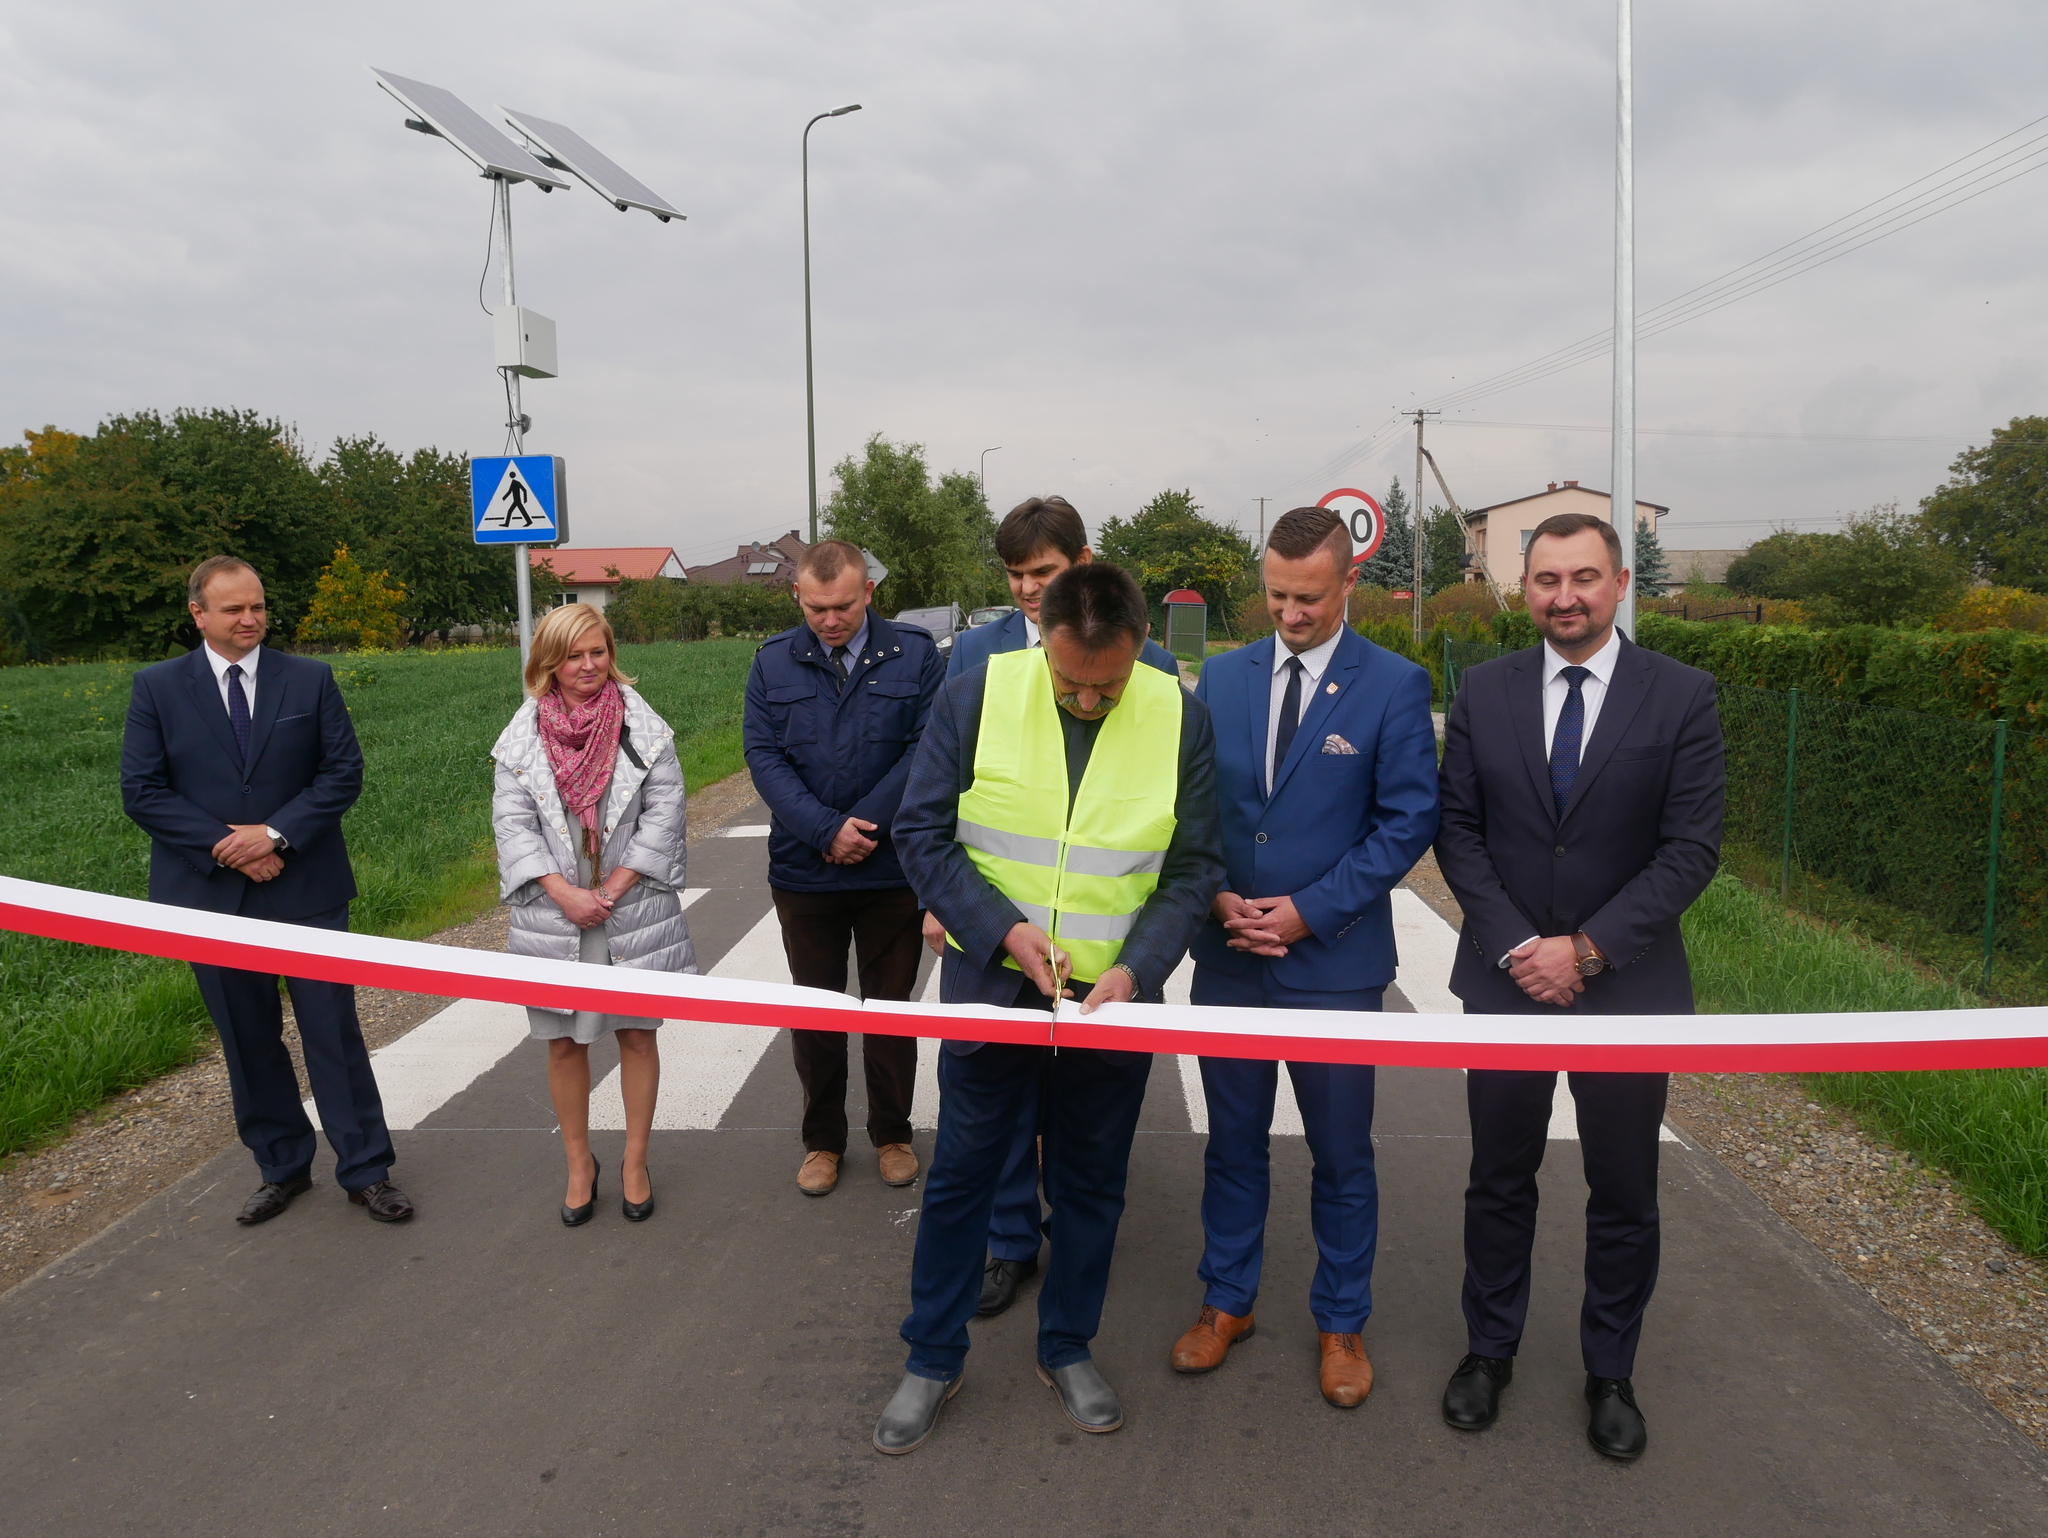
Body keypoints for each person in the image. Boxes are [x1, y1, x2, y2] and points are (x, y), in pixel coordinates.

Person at [875, 559, 1223, 1455]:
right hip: (994, 990)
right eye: (1071, 683)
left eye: (1109, 685)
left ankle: (1067, 1345)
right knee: (962, 1175)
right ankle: (931, 1356)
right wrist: (1002, 931)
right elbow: (922, 834)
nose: (1089, 701)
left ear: (1140, 647)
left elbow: (1193, 869)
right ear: (1043, 640)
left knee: (1091, 1184)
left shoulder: (1180, 715)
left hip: (1110, 1003)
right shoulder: (976, 694)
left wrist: (1139, 970)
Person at [1433, 510, 1724, 1461]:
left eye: (1584, 578)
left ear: (1620, 584)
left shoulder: (1681, 696)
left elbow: (1691, 849)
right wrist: (1524, 945)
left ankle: (1611, 1372)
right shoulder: (1483, 692)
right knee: (1498, 1179)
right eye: (1548, 579)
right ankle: (1489, 1352)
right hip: (1507, 981)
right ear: (1525, 588)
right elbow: (1458, 832)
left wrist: (1587, 951)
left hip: (1628, 991)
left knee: (1625, 1190)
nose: (1566, 597)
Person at [1173, 506, 1439, 1407]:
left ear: (1349, 581)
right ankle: (1227, 1300)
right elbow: (1192, 801)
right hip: (1230, 957)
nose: (1290, 614)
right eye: (1277, 596)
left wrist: (1307, 914)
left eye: (1309, 599)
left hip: (1333, 966)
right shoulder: (1224, 675)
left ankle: (1341, 1322)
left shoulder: (1394, 685)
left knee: (1341, 1153)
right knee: (1232, 1144)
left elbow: (1407, 820)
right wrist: (1214, 894)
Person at [939, 495, 1181, 1320]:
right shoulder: (974, 663)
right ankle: (1009, 1242)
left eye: (1040, 572)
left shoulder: (1154, 676)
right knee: (993, 1131)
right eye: (1014, 575)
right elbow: (938, 810)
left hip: (1101, 963)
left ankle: (1072, 1308)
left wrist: (1137, 964)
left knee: (1086, 1145)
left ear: (1082, 565)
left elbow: (1176, 846)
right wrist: (962, 913)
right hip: (993, 952)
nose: (1024, 589)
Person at [120, 556, 413, 1226]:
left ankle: (366, 1170)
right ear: (198, 614)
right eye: (234, 609)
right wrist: (229, 847)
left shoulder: (309, 678)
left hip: (306, 886)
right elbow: (142, 790)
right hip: (212, 895)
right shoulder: (157, 688)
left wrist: (275, 835)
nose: (250, 619)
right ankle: (282, 1168)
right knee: (247, 1038)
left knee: (332, 1033)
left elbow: (342, 773)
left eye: (257, 606)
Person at [743, 539, 945, 1196]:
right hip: (806, 873)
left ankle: (892, 1134)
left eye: (843, 607)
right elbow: (763, 757)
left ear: (869, 593)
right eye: (816, 608)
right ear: (797, 597)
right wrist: (825, 830)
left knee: (889, 1013)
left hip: (891, 872)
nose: (830, 620)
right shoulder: (772, 662)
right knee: (817, 1014)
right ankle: (823, 1141)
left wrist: (865, 827)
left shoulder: (915, 654)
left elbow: (927, 749)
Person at [492, 602, 696, 1225]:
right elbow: (513, 826)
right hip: (556, 911)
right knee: (562, 1044)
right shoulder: (522, 736)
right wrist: (563, 892)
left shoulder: (644, 727)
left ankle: (635, 1161)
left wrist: (613, 886)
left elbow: (666, 813)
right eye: (572, 655)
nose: (588, 665)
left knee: (637, 1034)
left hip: (631, 903)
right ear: (548, 663)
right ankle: (580, 1164)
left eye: (598, 652)